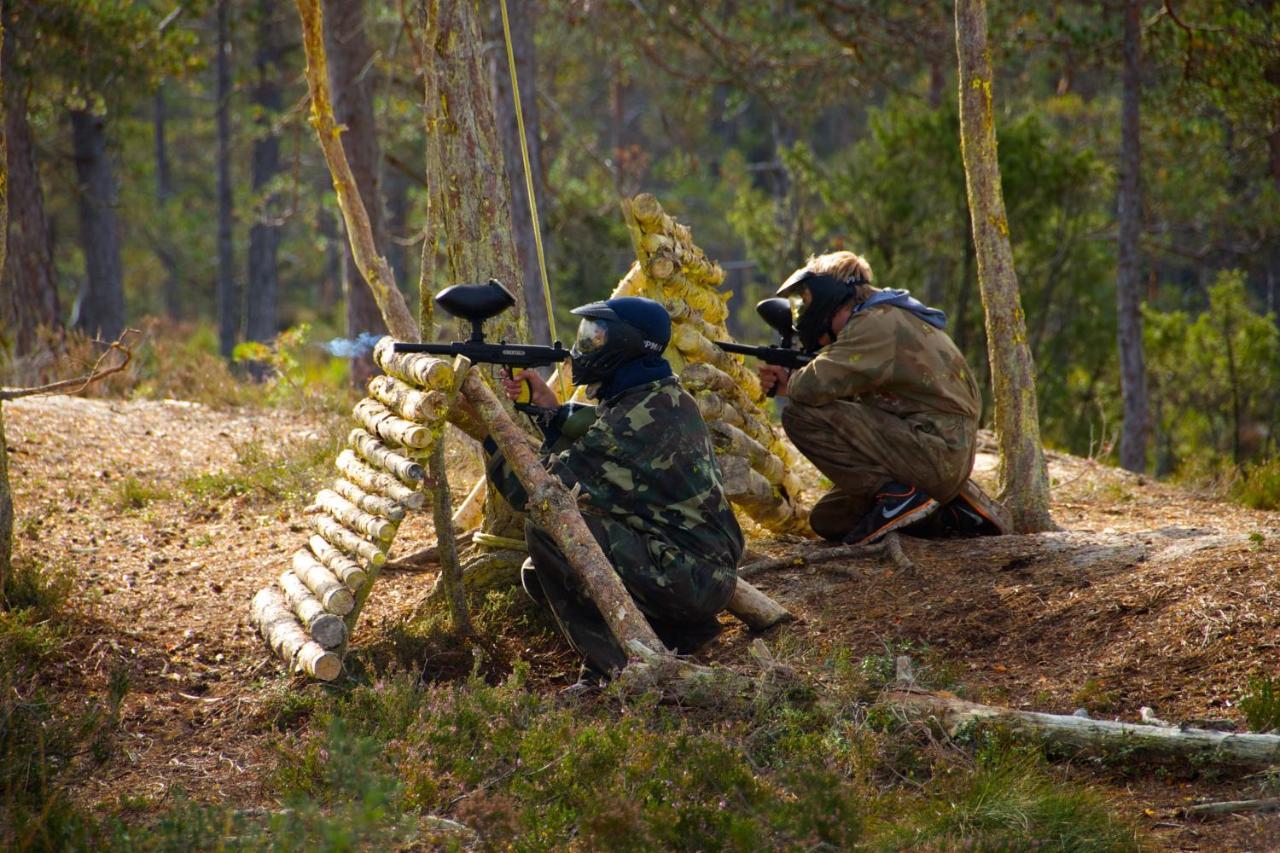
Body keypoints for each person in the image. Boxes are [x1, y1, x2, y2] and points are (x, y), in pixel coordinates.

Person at [484, 296, 743, 685]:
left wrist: (488, 427)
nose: (583, 347)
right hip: (696, 568)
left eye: (596, 336)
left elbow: (539, 497)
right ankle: (678, 633)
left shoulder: (635, 419)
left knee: (551, 529)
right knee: (538, 572)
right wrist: (548, 414)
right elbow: (598, 472)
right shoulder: (658, 397)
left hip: (690, 576)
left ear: (627, 344)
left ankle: (620, 671)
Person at [758, 250, 1000, 545]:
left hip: (932, 448)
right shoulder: (889, 314)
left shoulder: (874, 324)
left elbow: (810, 388)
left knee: (799, 414)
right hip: (939, 452)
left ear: (828, 296)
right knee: (828, 520)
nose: (802, 314)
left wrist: (790, 383)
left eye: (806, 302)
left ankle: (898, 497)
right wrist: (792, 378)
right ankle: (952, 509)